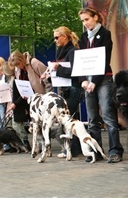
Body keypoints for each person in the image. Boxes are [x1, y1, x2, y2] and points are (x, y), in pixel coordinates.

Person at [78, 7, 124, 163]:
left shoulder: (105, 34)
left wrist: (94, 82)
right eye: (83, 21)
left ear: (95, 17)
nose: (85, 23)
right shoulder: (83, 37)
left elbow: (104, 60)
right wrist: (83, 80)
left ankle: (115, 151)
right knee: (92, 119)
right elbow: (80, 61)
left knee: (108, 116)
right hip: (87, 82)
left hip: (103, 80)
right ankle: (96, 151)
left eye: (87, 19)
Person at [7, 51, 53, 151]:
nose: (18, 67)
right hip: (28, 98)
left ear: (22, 60)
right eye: (16, 66)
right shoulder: (18, 69)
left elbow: (48, 79)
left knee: (43, 121)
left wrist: (48, 96)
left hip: (41, 97)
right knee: (35, 122)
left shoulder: (34, 63)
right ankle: (40, 145)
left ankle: (46, 144)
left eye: (18, 64)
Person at [50, 26, 82, 158]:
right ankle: (74, 147)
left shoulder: (72, 51)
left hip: (73, 88)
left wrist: (58, 69)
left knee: (69, 119)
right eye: (54, 38)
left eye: (57, 37)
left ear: (65, 37)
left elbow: (75, 71)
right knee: (71, 118)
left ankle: (72, 148)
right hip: (66, 89)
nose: (55, 40)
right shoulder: (62, 52)